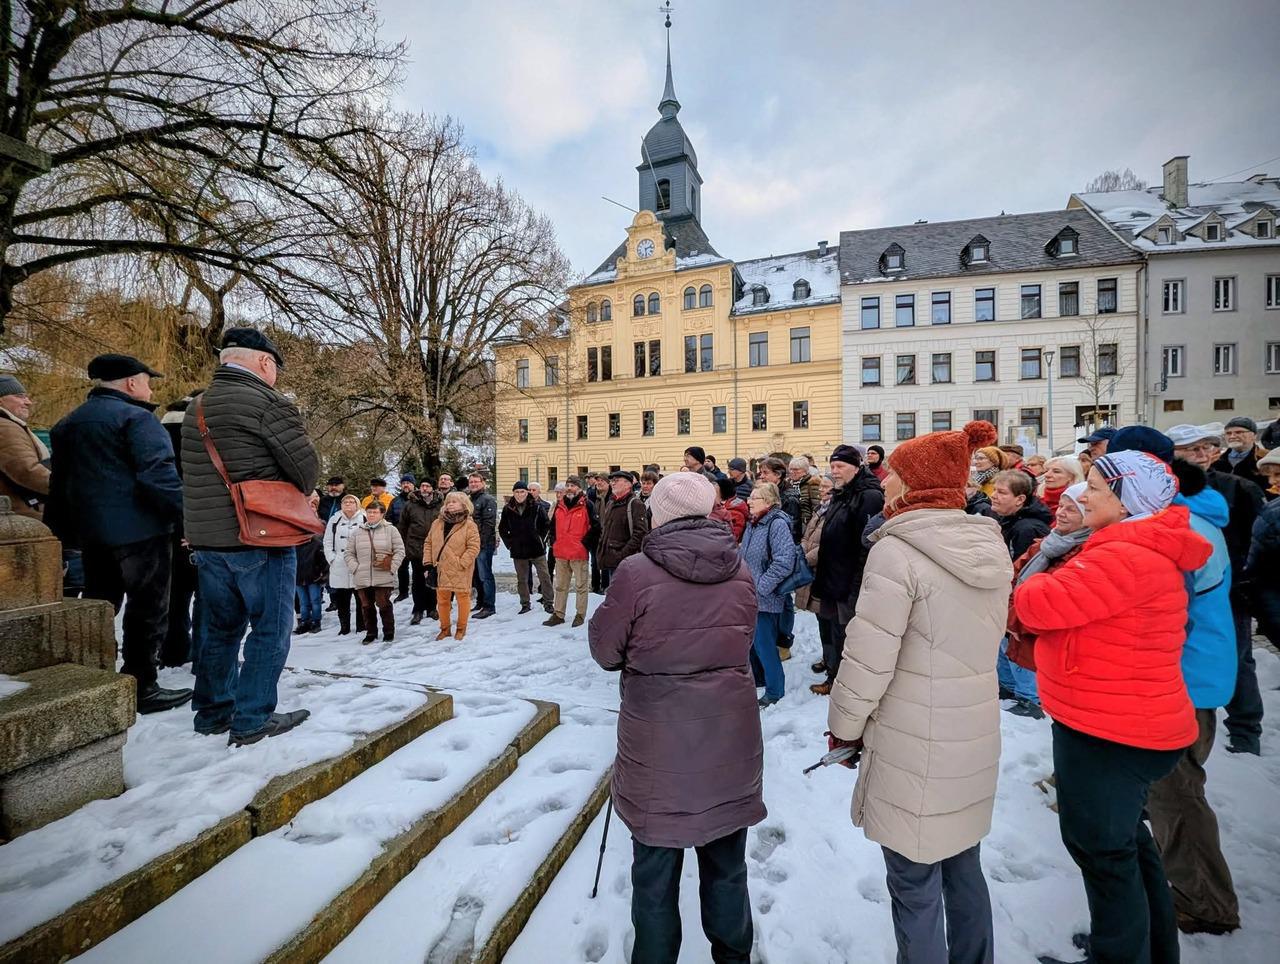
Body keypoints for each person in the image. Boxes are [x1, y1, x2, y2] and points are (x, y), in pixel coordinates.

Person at [1014, 450, 1209, 964]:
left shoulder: (1124, 554)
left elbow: (1034, 604)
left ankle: (1119, 954)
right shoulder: (1127, 544)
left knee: (1103, 854)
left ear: (1126, 503)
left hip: (1109, 729)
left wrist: (1033, 576)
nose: (1085, 494)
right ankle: (1149, 947)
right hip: (1119, 719)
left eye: (1097, 488)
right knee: (1128, 846)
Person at [827, 420, 1011, 964]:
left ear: (914, 484)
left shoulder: (898, 552)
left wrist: (844, 727)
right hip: (972, 732)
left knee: (912, 880)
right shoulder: (986, 544)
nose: (883, 484)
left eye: (894, 477)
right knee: (963, 866)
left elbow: (866, 659)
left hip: (914, 738)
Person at [588, 471, 762, 964]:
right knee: (727, 867)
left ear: (656, 514)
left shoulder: (636, 573)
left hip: (658, 738)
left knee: (656, 873)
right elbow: (741, 641)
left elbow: (605, 650)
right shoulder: (740, 569)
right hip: (728, 733)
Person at [181, 328, 317, 744]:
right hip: (261, 537)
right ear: (264, 362)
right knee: (270, 629)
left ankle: (212, 711)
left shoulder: (196, 407)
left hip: (208, 541)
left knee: (219, 630)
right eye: (275, 367)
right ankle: (253, 718)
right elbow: (306, 470)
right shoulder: (267, 403)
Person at [46, 353, 191, 715]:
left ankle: (91, 675)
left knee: (100, 605)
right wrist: (188, 517)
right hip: (142, 532)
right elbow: (158, 475)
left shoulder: (68, 424)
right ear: (130, 382)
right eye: (147, 380)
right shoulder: (138, 419)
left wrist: (59, 538)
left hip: (92, 535)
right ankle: (142, 685)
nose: (149, 387)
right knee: (148, 609)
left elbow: (58, 485)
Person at [1168, 423, 1265, 755]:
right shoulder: (1169, 498)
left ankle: (1245, 728)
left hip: (1231, 585)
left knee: (1238, 659)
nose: (1201, 454)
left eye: (1205, 447)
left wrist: (1246, 579)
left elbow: (1258, 538)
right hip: (1208, 585)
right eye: (1191, 449)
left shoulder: (1237, 488)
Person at [1001, 482, 1090, 720]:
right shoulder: (1048, 543)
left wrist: (1014, 619)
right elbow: (1015, 574)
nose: (1060, 512)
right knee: (1011, 657)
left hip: (1031, 625)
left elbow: (1054, 600)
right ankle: (1011, 690)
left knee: (1028, 668)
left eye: (1071, 509)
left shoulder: (1084, 550)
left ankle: (1030, 701)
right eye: (1060, 506)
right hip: (1015, 618)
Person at [808, 445, 884, 696]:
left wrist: (856, 583)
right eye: (832, 466)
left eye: (840, 466)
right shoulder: (843, 492)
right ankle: (834, 674)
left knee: (846, 634)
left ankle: (845, 683)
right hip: (833, 576)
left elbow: (867, 543)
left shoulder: (868, 496)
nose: (835, 471)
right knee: (831, 628)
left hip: (850, 580)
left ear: (857, 466)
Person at [739, 482, 795, 708]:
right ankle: (760, 678)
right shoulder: (755, 522)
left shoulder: (777, 523)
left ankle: (775, 690)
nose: (749, 501)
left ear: (770, 502)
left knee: (764, 644)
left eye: (755, 498)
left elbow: (784, 561)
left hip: (765, 596)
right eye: (750, 497)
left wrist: (761, 587)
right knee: (753, 643)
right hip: (750, 595)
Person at [159, 395, 198, 667]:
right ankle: (202, 653)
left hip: (162, 532)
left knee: (173, 598)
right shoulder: (194, 438)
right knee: (206, 597)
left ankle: (172, 650)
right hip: (194, 528)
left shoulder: (155, 433)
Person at [343, 499, 405, 643]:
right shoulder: (358, 532)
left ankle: (388, 631)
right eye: (369, 512)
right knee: (366, 606)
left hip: (383, 574)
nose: (371, 515)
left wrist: (392, 567)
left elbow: (400, 550)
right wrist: (355, 568)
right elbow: (348, 553)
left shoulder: (391, 530)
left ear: (382, 514)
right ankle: (371, 632)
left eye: (375, 512)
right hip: (362, 575)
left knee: (383, 604)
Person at [423, 490, 481, 640]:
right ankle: (445, 629)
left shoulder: (469, 525)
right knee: (442, 600)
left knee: (463, 598)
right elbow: (428, 543)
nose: (450, 504)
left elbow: (474, 547)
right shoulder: (437, 523)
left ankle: (461, 629)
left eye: (454, 502)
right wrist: (428, 564)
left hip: (460, 568)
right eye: (448, 502)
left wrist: (461, 563)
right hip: (440, 567)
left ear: (463, 504)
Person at [545, 475, 595, 627]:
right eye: (568, 485)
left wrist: (584, 544)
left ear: (579, 488)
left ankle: (580, 614)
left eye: (573, 485)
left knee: (581, 586)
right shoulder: (559, 505)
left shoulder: (587, 505)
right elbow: (552, 526)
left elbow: (596, 527)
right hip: (561, 552)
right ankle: (558, 613)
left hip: (579, 553)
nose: (569, 488)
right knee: (560, 586)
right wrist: (554, 540)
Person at [0, 374, 50, 519]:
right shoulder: (5, 427)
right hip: (22, 511)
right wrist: (69, 488)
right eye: (19, 396)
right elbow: (26, 470)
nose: (28, 402)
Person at [499, 480, 552, 614]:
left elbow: (546, 525)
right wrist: (510, 544)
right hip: (518, 550)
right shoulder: (508, 508)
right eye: (516, 492)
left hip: (536, 549)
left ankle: (548, 602)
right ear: (513, 493)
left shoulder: (537, 506)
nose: (519, 494)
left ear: (526, 492)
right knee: (522, 579)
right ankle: (525, 603)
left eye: (522, 491)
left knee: (544, 577)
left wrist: (541, 539)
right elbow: (502, 529)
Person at [397, 479, 442, 625]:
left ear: (433, 488)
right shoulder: (411, 505)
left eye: (427, 485)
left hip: (435, 548)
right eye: (422, 485)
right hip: (415, 547)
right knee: (418, 580)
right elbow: (403, 526)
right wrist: (402, 545)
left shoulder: (440, 504)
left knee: (433, 579)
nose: (424, 488)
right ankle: (418, 609)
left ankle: (432, 608)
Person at [324, 494, 365, 636]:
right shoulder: (334, 519)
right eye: (345, 502)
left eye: (351, 501)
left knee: (361, 598)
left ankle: (362, 626)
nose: (348, 504)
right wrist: (331, 558)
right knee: (342, 599)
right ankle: (344, 627)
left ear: (357, 504)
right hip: (339, 563)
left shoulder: (364, 518)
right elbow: (327, 541)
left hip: (358, 563)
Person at [598, 469, 648, 586]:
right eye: (612, 481)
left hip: (625, 561)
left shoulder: (635, 504)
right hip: (611, 559)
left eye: (616, 480)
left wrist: (622, 554)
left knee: (624, 596)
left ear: (628, 484)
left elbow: (640, 534)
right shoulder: (611, 502)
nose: (612, 483)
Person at [990, 469, 1053, 560]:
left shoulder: (1027, 530)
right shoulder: (1007, 518)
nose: (993, 495)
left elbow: (1019, 567)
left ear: (1020, 500)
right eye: (994, 490)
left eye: (1001, 492)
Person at [294, 493, 329, 634]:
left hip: (314, 573)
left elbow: (322, 555)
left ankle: (316, 621)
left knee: (315, 600)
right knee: (303, 601)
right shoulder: (294, 538)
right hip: (299, 574)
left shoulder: (317, 537)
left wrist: (322, 573)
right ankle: (304, 621)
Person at [466, 472, 498, 619]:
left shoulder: (487, 499)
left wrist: (481, 543)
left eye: (476, 482)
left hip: (483, 543)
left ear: (482, 483)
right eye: (471, 482)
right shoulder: (468, 499)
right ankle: (480, 602)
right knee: (476, 575)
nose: (473, 484)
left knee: (485, 575)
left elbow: (488, 524)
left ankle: (489, 606)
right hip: (471, 544)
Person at [1213, 416, 1266, 491]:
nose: (1232, 436)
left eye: (1239, 432)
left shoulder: (1266, 459)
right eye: (1228, 433)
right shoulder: (1215, 459)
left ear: (1254, 436)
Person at [389, 474, 416, 600]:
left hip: (416, 539)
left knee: (417, 568)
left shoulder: (417, 500)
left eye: (408, 483)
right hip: (400, 539)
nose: (406, 485)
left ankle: (418, 591)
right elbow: (388, 519)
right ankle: (403, 592)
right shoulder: (395, 501)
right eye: (403, 483)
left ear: (413, 485)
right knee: (402, 567)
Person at [711, 476, 749, 541]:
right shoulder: (720, 507)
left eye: (714, 493)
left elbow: (732, 538)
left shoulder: (736, 513)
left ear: (721, 495)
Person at [788, 456, 822, 528]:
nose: (792, 472)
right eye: (790, 469)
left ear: (805, 471)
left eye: (796, 469)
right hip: (789, 523)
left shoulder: (812, 483)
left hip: (805, 525)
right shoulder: (787, 484)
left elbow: (817, 507)